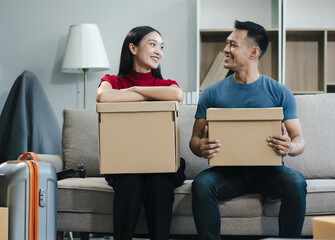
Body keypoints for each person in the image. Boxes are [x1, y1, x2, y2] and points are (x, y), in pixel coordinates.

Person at [189, 20, 307, 239]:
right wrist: (201, 146)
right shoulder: (211, 93)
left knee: (296, 181)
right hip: (228, 173)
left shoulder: (279, 92)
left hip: (268, 172)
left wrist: (290, 146)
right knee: (202, 183)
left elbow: (299, 139)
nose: (225, 49)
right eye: (227, 44)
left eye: (233, 45)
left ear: (254, 52)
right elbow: (195, 140)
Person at [96, 26, 185, 240]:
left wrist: (134, 90)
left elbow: (178, 95)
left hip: (162, 161)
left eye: (161, 47)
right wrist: (152, 97)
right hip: (124, 161)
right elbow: (104, 97)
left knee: (159, 182)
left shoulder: (166, 84)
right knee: (130, 182)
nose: (159, 52)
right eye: (152, 44)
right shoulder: (113, 81)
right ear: (133, 48)